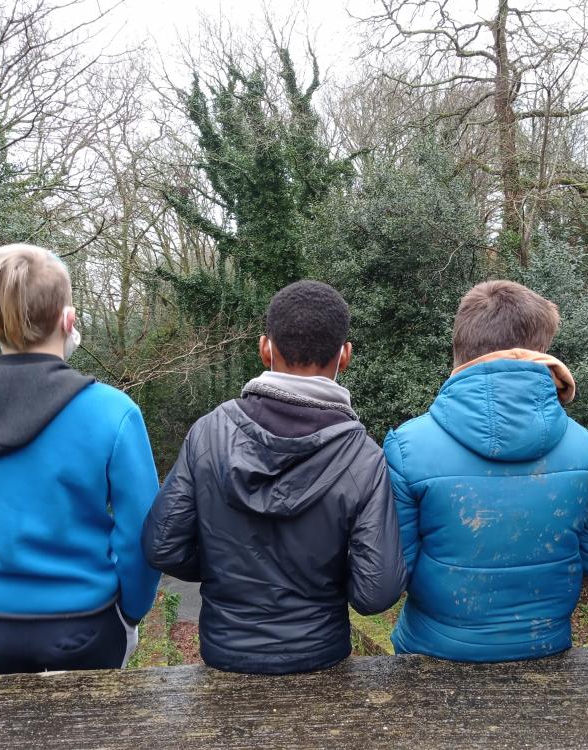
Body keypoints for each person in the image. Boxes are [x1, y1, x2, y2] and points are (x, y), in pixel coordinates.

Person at [0, 244, 161, 675]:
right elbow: (141, 532)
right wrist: (131, 611)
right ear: (69, 319)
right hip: (87, 625)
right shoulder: (113, 411)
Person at [142, 280, 406, 674]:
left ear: (265, 347)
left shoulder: (209, 433)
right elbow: (376, 591)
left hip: (225, 654)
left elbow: (163, 546)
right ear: (345, 356)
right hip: (320, 659)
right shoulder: (363, 457)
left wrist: (224, 566)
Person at [385, 280, 588, 662]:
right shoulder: (586, 448)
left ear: (458, 348)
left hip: (433, 653)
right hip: (545, 650)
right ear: (541, 352)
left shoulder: (408, 447)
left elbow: (396, 570)